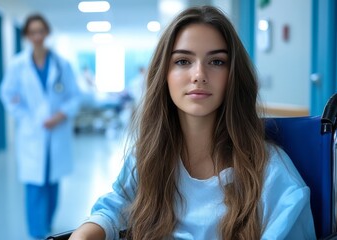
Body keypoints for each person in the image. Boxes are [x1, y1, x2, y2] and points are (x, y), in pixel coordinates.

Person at [69, 6, 315, 240]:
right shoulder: (149, 158)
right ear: (164, 75)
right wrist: (87, 232)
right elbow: (114, 209)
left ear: (233, 76)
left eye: (217, 61)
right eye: (183, 61)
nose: (199, 75)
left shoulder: (271, 174)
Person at [0, 13, 80, 239]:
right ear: (27, 35)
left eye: (40, 31)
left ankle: (47, 224)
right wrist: (25, 116)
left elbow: (74, 96)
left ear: (46, 33)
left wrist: (61, 115)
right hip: (32, 132)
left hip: (57, 130)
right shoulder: (18, 65)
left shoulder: (62, 65)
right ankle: (37, 233)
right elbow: (7, 94)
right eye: (32, 32)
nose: (37, 36)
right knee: (35, 185)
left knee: (53, 184)